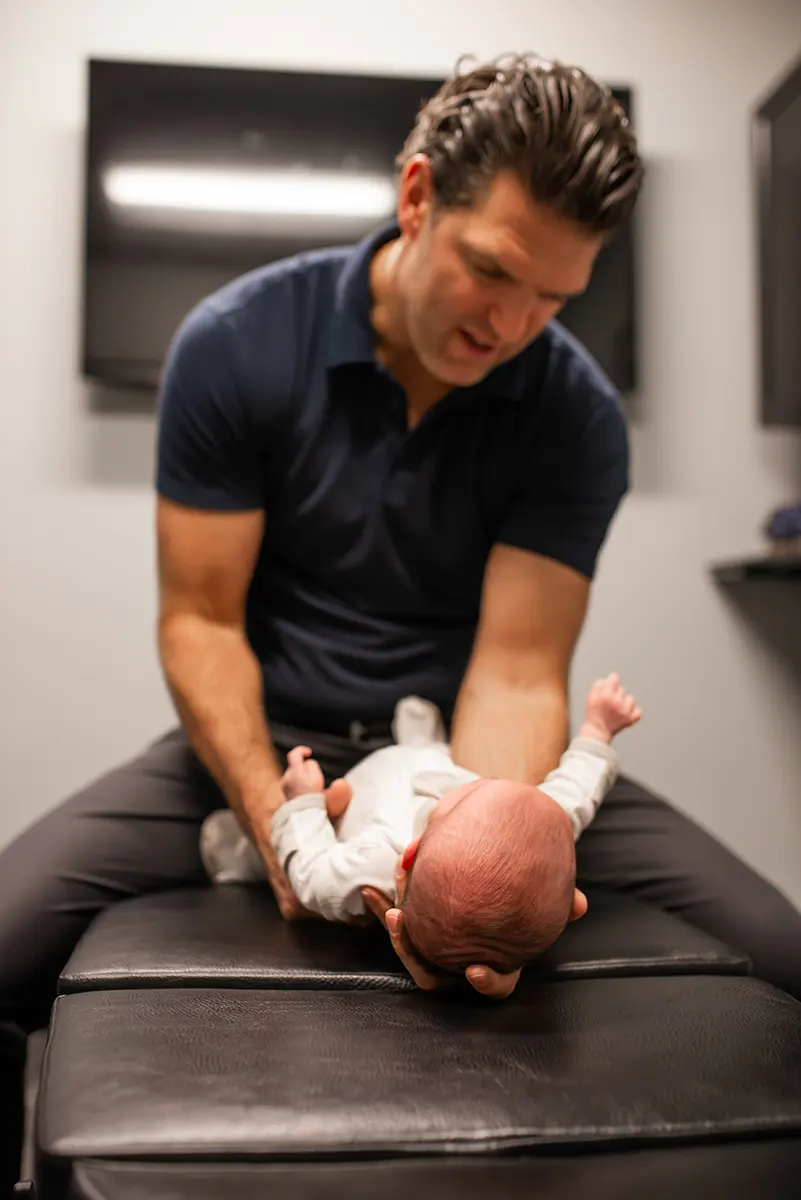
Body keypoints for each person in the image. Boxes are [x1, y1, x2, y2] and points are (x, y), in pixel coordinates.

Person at [3, 51, 801, 1193]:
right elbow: (198, 625)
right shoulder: (235, 343)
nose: (515, 324)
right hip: (272, 753)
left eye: (555, 300)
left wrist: (471, 860)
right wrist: (279, 832)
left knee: (782, 955)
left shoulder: (573, 412)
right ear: (418, 195)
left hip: (462, 766)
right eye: (493, 272)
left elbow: (524, 668)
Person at [201, 674, 640, 986]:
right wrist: (597, 731)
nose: (484, 782)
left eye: (469, 795)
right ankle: (422, 744)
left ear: (408, 858)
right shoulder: (545, 826)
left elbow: (312, 874)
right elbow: (576, 789)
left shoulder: (374, 861)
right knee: (435, 763)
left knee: (273, 849)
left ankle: (234, 854)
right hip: (417, 759)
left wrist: (302, 802)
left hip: (351, 805)